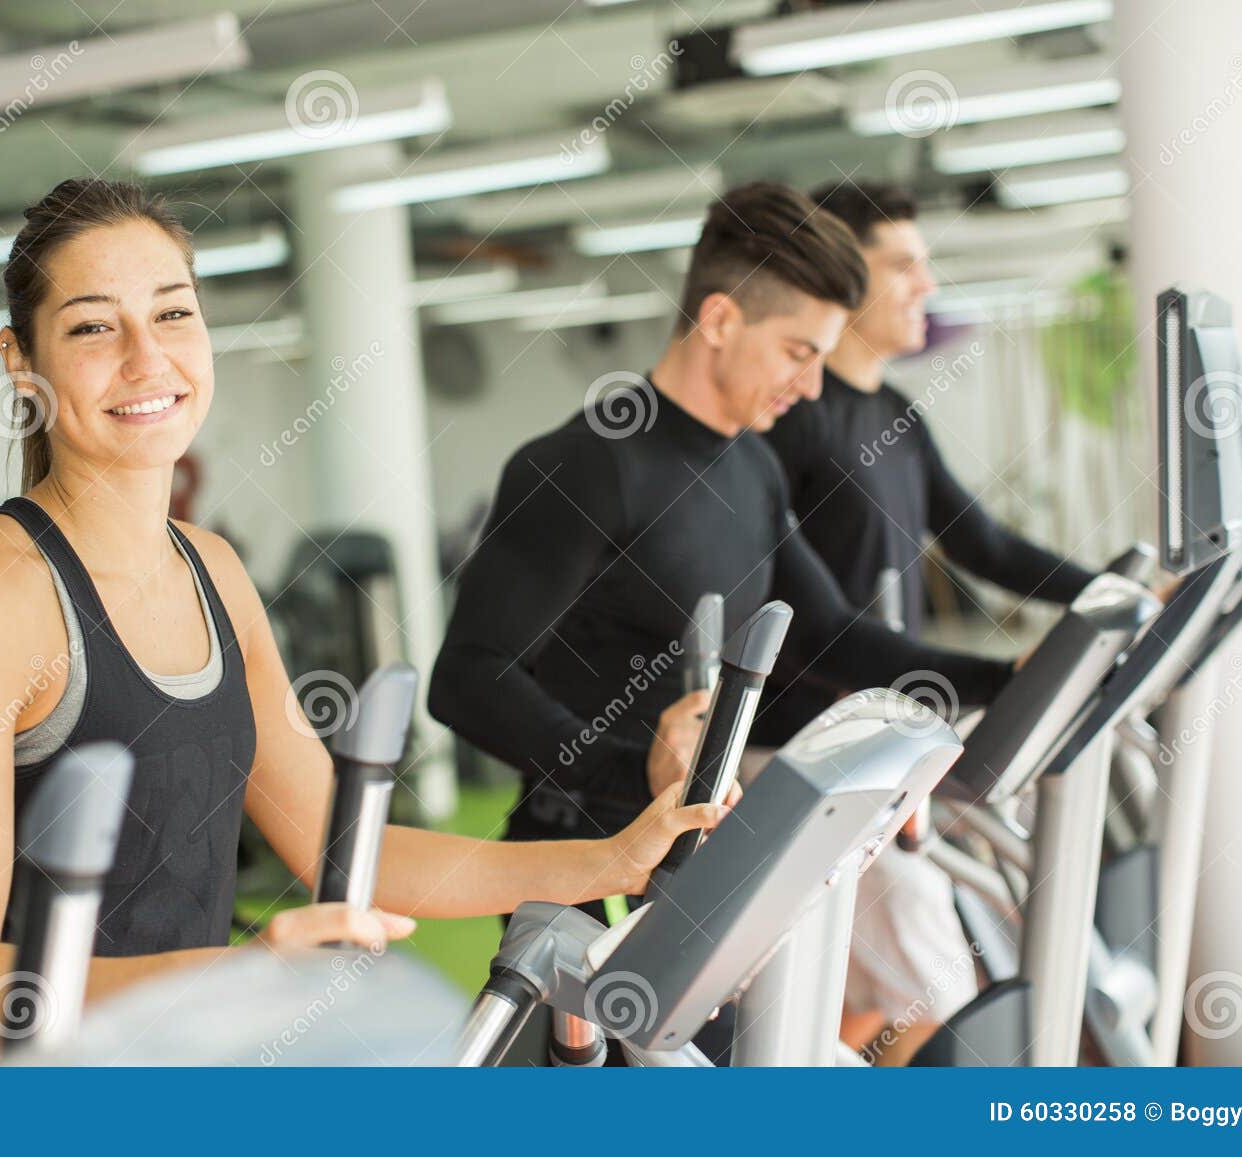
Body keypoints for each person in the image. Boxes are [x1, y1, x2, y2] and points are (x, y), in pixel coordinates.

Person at [0, 177, 725, 1066]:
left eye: (173, 314)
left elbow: (339, 841)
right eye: (93, 326)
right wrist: (228, 979)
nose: (146, 358)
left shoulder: (213, 570)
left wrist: (608, 860)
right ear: (23, 362)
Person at [427, 181, 1018, 1063]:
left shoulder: (752, 466)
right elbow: (467, 676)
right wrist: (643, 770)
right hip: (582, 878)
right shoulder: (584, 466)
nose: (811, 383)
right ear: (717, 320)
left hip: (705, 875)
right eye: (796, 351)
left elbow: (830, 634)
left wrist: (1006, 682)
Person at [763, 180, 1099, 1064]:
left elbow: (984, 543)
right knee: (938, 998)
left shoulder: (892, 416)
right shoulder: (790, 421)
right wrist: (992, 676)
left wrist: (1113, 594)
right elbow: (817, 625)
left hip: (882, 747)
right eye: (902, 264)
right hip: (808, 756)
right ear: (840, 274)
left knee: (858, 996)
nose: (926, 283)